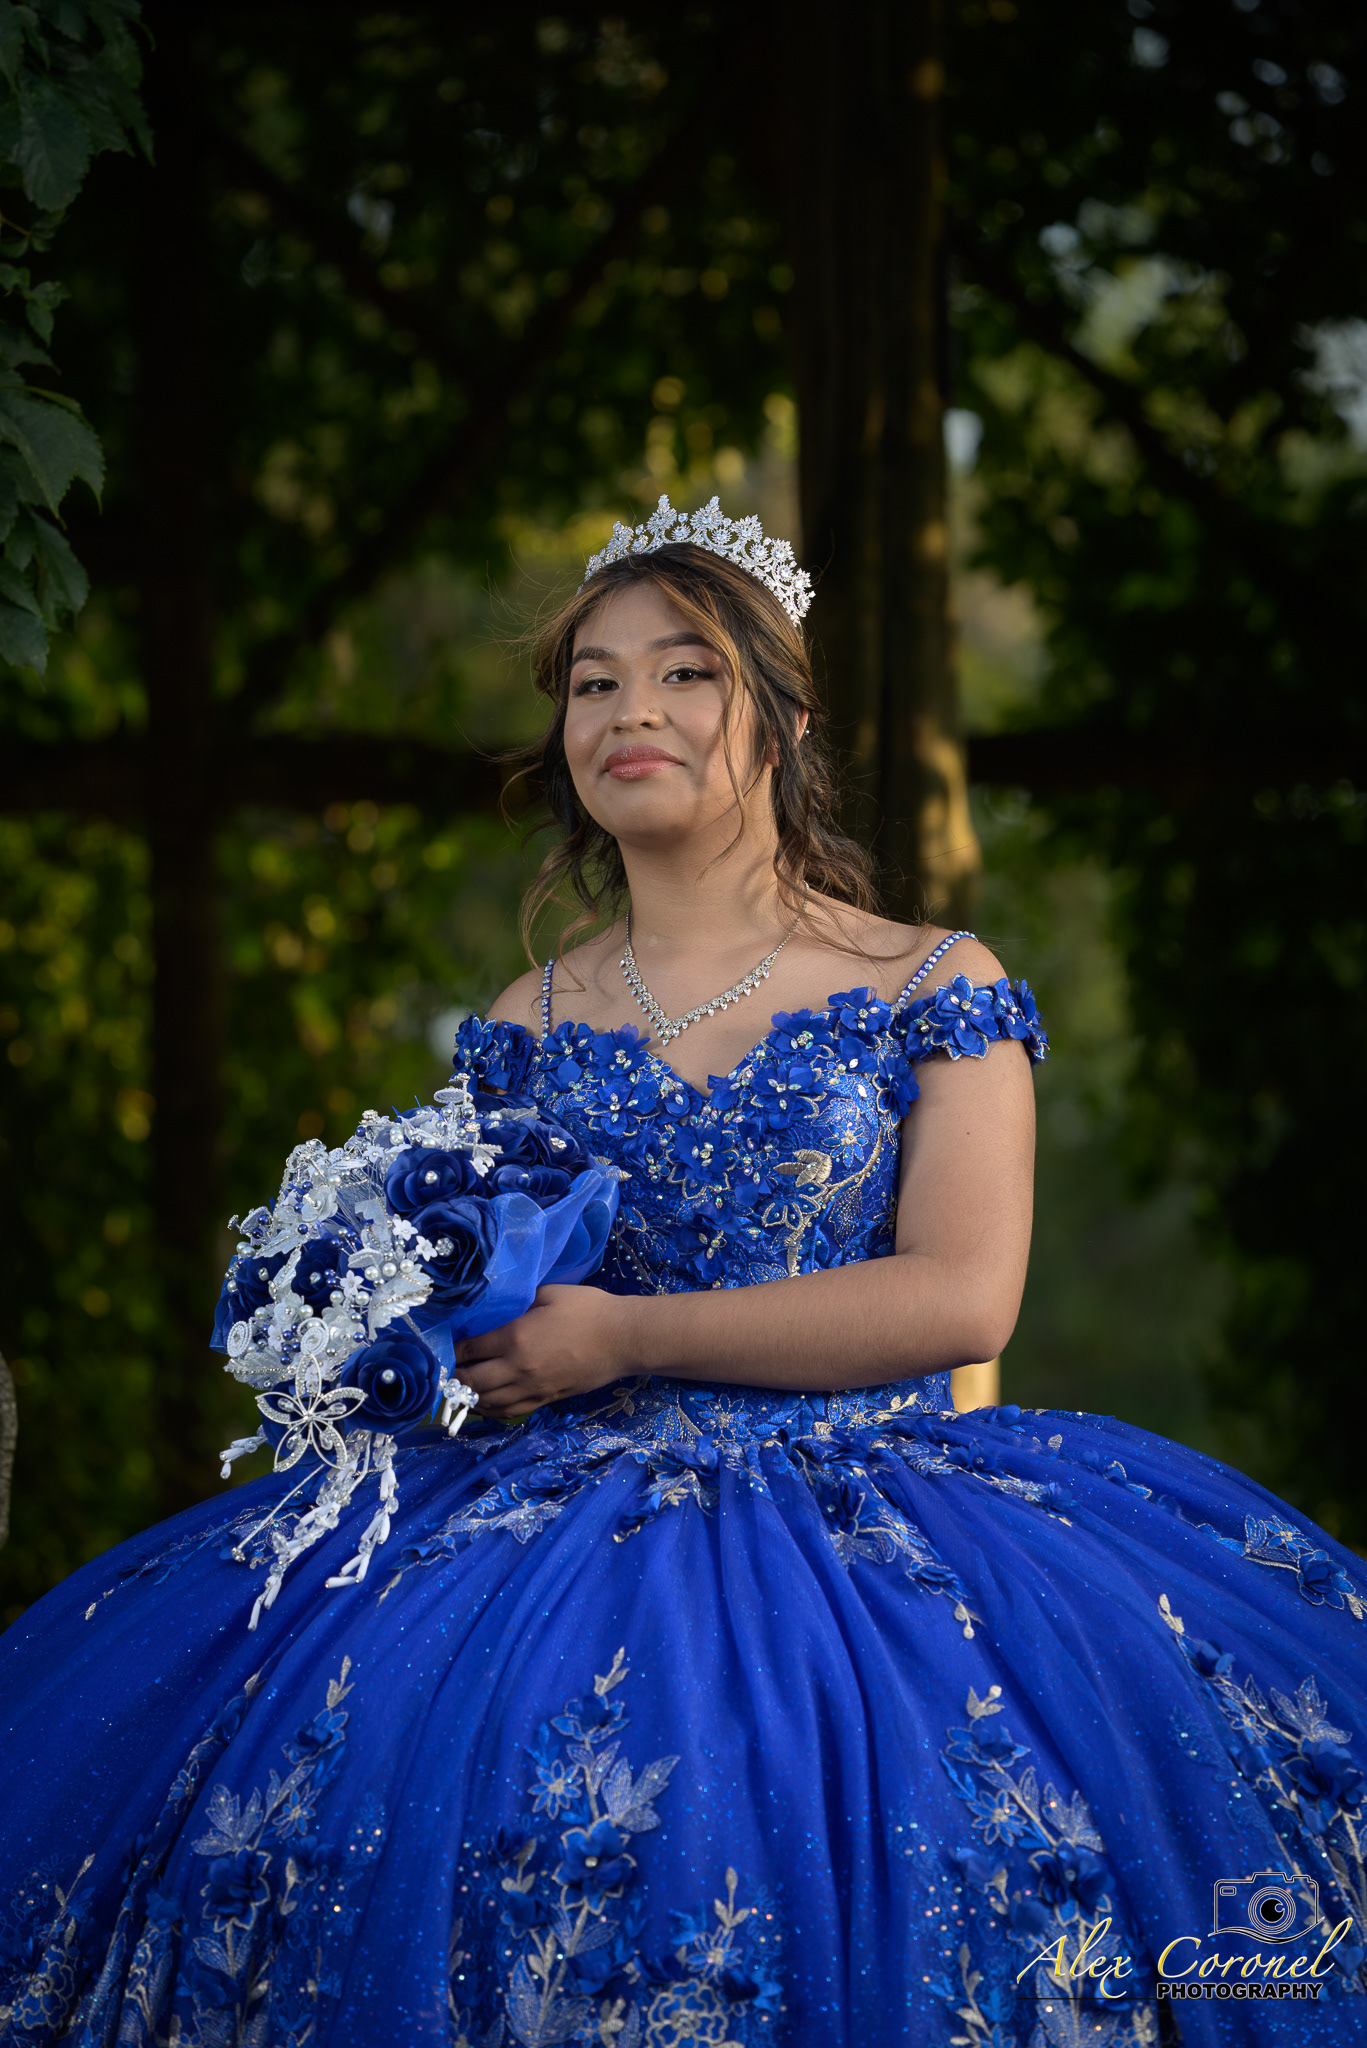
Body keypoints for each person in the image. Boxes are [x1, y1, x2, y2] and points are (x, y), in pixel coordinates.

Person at [0, 499, 1364, 2048]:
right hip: (543, 1536)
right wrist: (400, 1330)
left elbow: (964, 1297)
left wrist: (626, 1336)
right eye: (593, 682)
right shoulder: (525, 1018)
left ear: (784, 719)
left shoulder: (931, 982)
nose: (630, 711)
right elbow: (491, 1297)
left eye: (685, 673)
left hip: (874, 1522)